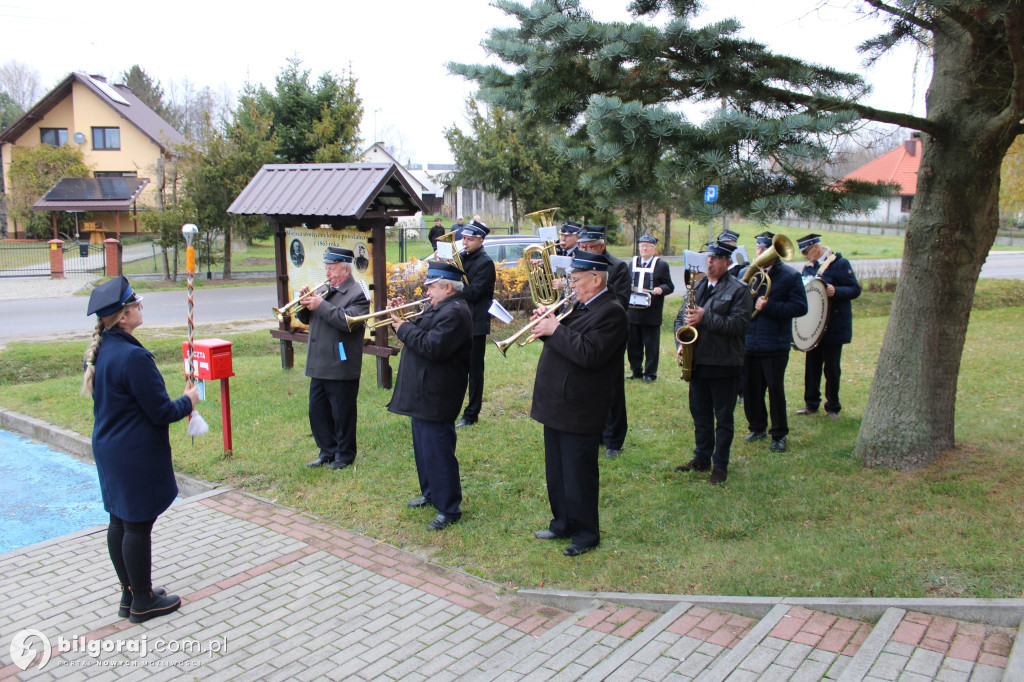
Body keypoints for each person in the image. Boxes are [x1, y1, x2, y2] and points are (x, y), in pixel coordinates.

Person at [82, 276, 198, 623]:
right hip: (132, 452)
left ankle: (129, 592)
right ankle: (143, 601)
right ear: (121, 316)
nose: (140, 306)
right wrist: (188, 401)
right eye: (135, 303)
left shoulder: (104, 350)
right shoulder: (133, 357)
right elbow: (161, 411)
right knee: (136, 525)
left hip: (110, 448)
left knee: (120, 520)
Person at [529, 250, 628, 556]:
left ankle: (586, 533)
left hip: (580, 405)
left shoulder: (611, 312)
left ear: (596, 279)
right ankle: (562, 523)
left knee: (579, 473)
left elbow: (589, 353)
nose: (570, 285)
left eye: (575, 280)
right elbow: (566, 341)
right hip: (557, 401)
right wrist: (548, 326)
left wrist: (555, 329)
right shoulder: (579, 305)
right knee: (557, 471)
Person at [387, 261, 473, 530]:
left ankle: (449, 508)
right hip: (424, 390)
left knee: (438, 451)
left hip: (439, 393)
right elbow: (422, 331)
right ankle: (431, 492)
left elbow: (432, 346)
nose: (427, 292)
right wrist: (400, 320)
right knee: (424, 447)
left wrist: (403, 328)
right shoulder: (440, 307)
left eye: (431, 287)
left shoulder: (455, 312)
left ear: (447, 287)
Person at [673, 241, 752, 484]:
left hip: (724, 363)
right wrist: (680, 345)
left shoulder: (739, 289)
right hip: (698, 361)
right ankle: (701, 458)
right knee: (700, 414)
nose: (709, 262)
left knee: (723, 418)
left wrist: (706, 317)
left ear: (728, 262)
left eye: (715, 258)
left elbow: (739, 325)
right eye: (708, 257)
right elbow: (679, 319)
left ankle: (720, 465)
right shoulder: (697, 286)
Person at [297, 247, 370, 471]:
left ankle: (345, 454)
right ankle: (327, 451)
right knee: (317, 411)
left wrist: (321, 304)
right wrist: (304, 303)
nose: (327, 273)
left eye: (331, 269)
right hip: (319, 362)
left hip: (341, 362)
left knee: (342, 412)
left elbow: (348, 321)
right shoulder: (327, 290)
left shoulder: (358, 293)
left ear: (346, 270)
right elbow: (309, 318)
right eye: (327, 269)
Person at [742, 231, 807, 453]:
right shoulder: (746, 273)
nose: (758, 253)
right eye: (758, 249)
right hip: (749, 340)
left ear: (773, 254)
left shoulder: (790, 276)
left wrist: (769, 306)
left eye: (763, 250)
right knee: (750, 388)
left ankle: (779, 434)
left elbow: (800, 307)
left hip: (774, 343)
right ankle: (756, 427)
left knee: (775, 389)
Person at [795, 233, 862, 418]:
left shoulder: (840, 264)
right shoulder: (809, 267)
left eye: (807, 252)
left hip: (834, 325)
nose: (805, 256)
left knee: (831, 369)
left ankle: (833, 406)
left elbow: (855, 289)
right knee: (812, 367)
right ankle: (811, 403)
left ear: (816, 247)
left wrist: (836, 291)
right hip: (813, 326)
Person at [577, 226, 629, 457]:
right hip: (584, 331)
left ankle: (614, 440)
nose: (586, 250)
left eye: (590, 247)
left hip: (609, 332)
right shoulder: (582, 266)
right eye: (583, 247)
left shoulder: (618, 267)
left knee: (613, 388)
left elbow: (620, 301)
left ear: (602, 245)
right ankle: (596, 431)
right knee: (590, 386)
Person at [455, 219, 496, 428]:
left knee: (474, 371)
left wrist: (452, 285)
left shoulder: (485, 263)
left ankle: (471, 414)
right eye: (464, 238)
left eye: (470, 239)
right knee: (456, 367)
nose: (465, 242)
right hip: (459, 319)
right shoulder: (463, 257)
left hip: (476, 322)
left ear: (480, 241)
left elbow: (473, 293)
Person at [627, 235, 675, 383]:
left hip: (651, 313)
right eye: (642, 245)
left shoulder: (661, 265)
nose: (644, 248)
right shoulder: (633, 262)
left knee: (651, 346)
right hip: (633, 312)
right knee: (633, 345)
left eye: (648, 245)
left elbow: (670, 286)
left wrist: (661, 289)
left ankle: (650, 374)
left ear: (654, 248)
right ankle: (636, 371)